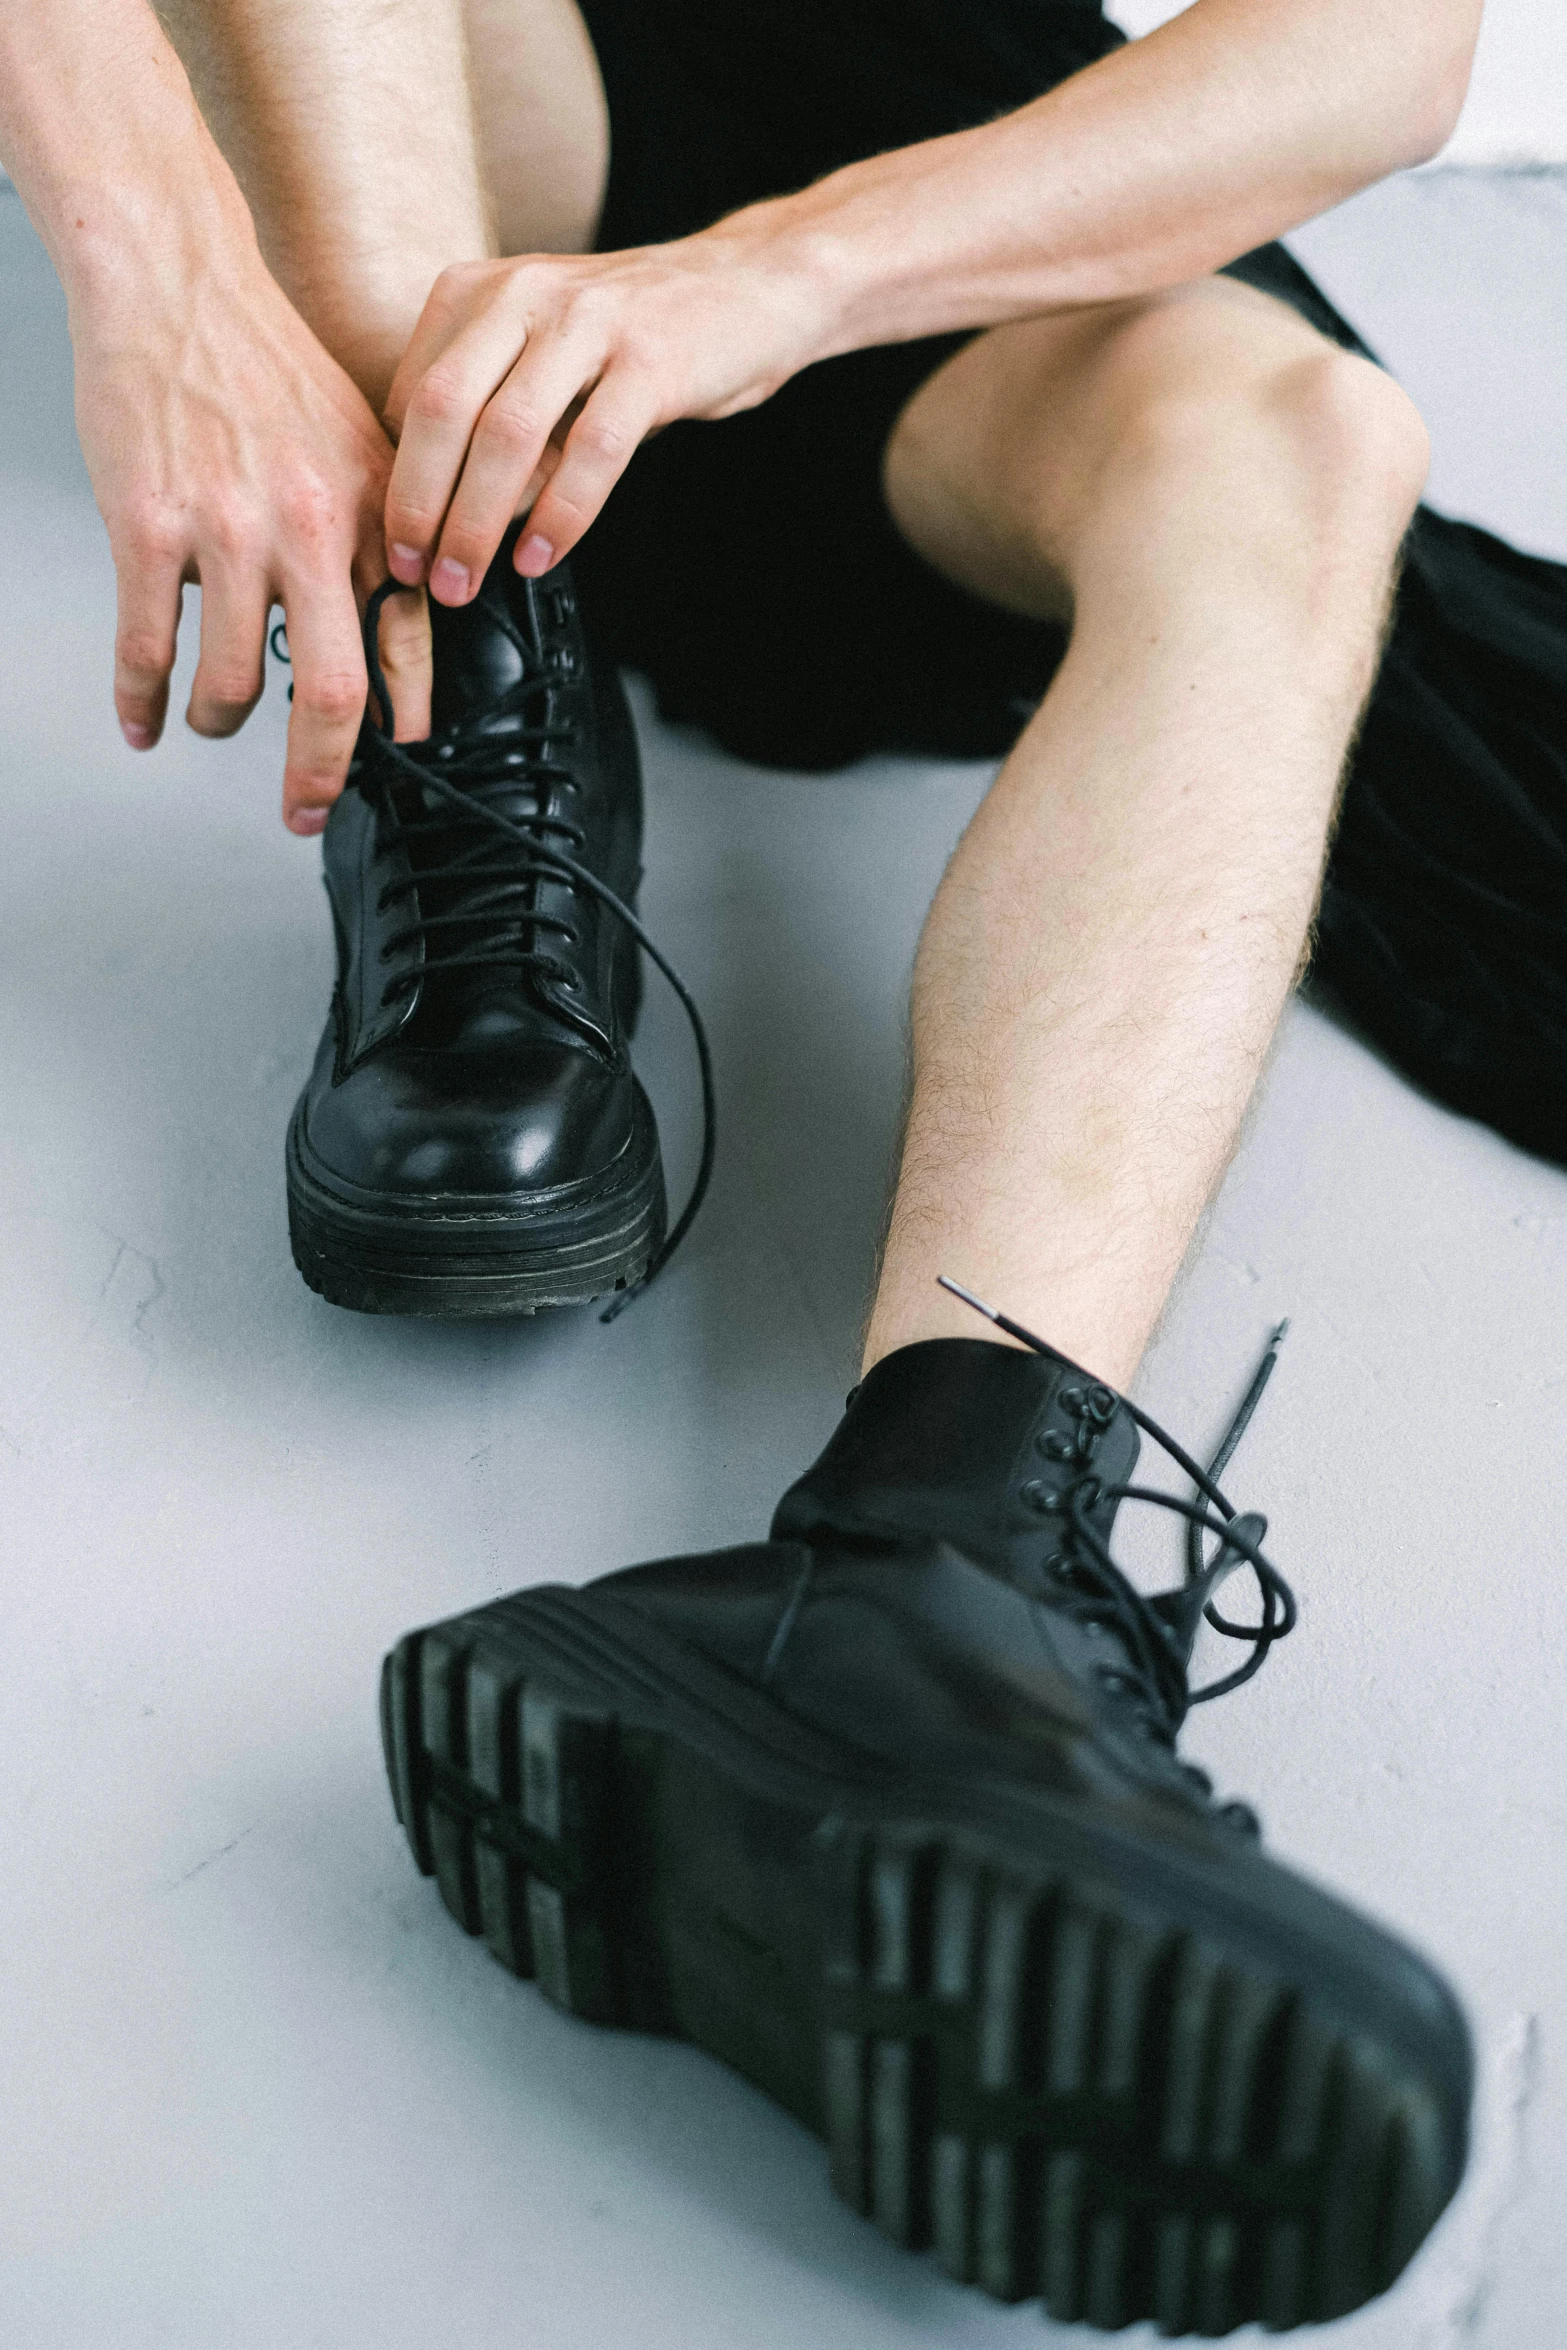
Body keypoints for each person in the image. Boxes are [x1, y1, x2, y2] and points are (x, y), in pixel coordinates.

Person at [6, 0, 1552, 2327]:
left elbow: (1384, 57)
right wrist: (157, 267)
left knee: (1307, 431)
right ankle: (481, 700)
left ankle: (940, 1565)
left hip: (907, 217)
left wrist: (784, 275)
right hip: (478, 110)